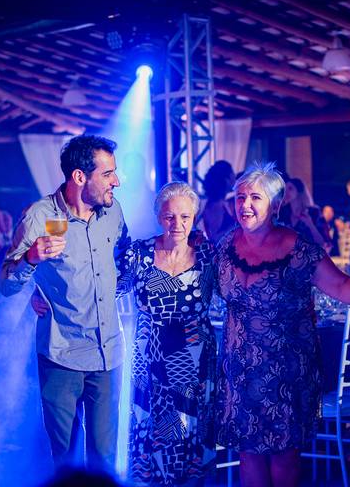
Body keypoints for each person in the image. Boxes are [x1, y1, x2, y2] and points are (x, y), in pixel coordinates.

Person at [216, 163, 350, 487]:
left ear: (275, 205)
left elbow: (340, 286)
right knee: (248, 453)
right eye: (241, 197)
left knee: (283, 456)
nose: (245, 205)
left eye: (255, 197)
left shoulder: (298, 249)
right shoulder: (225, 246)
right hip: (240, 370)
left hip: (285, 370)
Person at [0, 135, 129, 473]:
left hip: (108, 354)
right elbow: (6, 285)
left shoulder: (113, 211)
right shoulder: (39, 216)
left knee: (105, 461)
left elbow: (125, 257)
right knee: (65, 462)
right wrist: (31, 259)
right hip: (61, 356)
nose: (116, 181)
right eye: (108, 173)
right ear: (79, 176)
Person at [116, 182, 217, 486]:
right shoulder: (140, 254)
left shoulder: (207, 255)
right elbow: (105, 288)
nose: (178, 224)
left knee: (191, 434)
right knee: (151, 434)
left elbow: (237, 292)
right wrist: (45, 291)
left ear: (194, 217)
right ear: (159, 217)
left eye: (185, 217)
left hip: (194, 360)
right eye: (170, 216)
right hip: (151, 358)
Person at [277, 177, 330, 250]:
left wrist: (310, 224)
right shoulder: (283, 213)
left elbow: (323, 243)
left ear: (299, 191)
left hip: (309, 255)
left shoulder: (314, 212)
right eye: (285, 189)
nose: (286, 192)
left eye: (290, 188)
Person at [199, 160, 237, 245]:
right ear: (226, 180)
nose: (235, 177)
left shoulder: (214, 204)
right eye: (232, 174)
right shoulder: (216, 206)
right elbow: (216, 237)